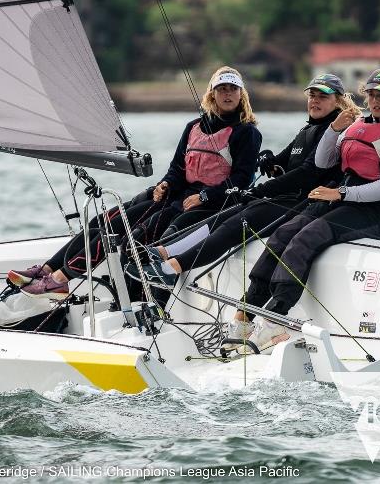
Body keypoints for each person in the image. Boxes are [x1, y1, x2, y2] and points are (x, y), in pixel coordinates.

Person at [127, 74, 360, 342]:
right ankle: (165, 252)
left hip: (300, 202)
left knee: (238, 223)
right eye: (312, 95)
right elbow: (286, 161)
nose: (315, 101)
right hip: (281, 198)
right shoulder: (308, 129)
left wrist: (261, 189)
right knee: (225, 216)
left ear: (338, 101)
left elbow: (307, 173)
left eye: (323, 97)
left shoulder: (336, 132)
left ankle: (171, 269)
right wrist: (270, 160)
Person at [7, 66, 262, 300]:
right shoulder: (193, 126)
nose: (227, 94)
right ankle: (46, 270)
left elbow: (241, 181)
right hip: (177, 195)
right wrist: (164, 184)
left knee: (132, 236)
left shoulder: (247, 133)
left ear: (241, 95)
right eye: (222, 89)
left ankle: (60, 280)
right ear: (212, 94)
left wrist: (205, 197)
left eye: (233, 89)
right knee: (104, 224)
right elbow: (177, 169)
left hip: (207, 203)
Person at [240, 68, 380, 353]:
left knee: (305, 238)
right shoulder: (356, 124)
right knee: (282, 234)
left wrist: (341, 192)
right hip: (341, 200)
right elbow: (324, 162)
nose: (375, 101)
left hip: (374, 212)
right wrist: (335, 130)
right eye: (371, 94)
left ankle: (276, 317)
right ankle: (246, 313)